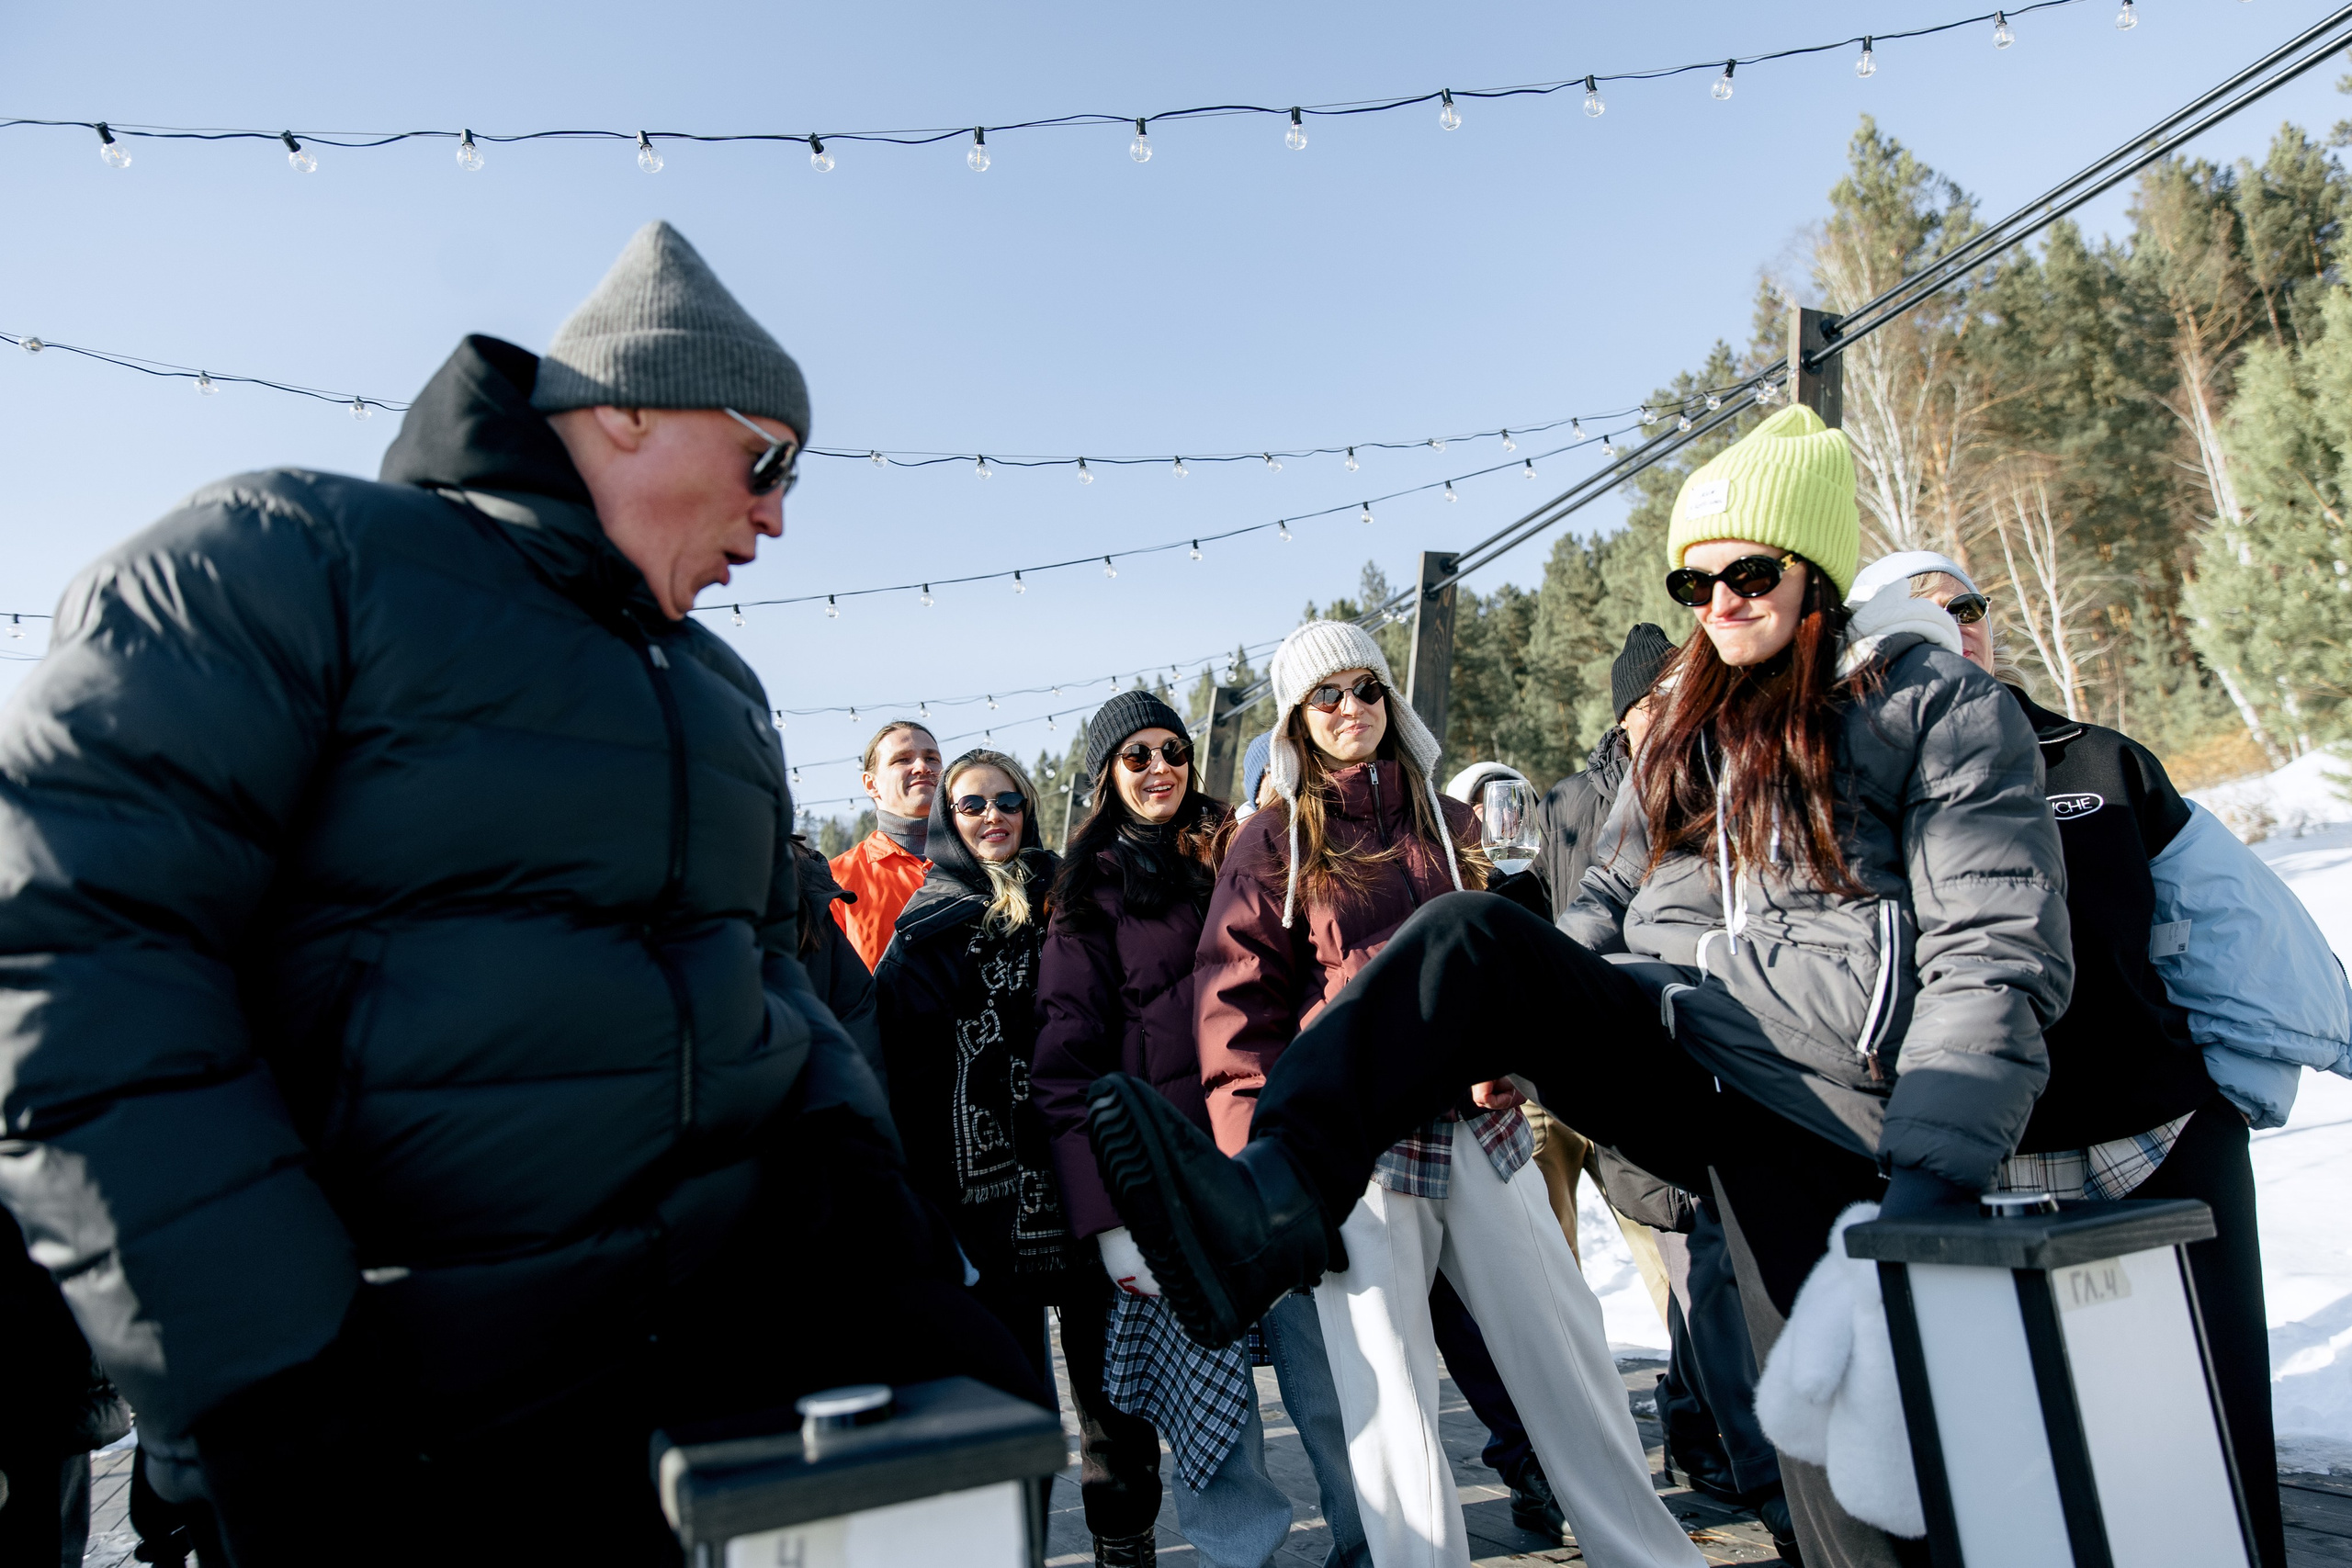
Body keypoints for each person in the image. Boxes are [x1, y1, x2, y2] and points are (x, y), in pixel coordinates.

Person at [0, 220, 1043, 1566]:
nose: (779, 511)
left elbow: (765, 981)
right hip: (401, 1430)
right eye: (766, 456)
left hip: (687, 1416)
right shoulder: (286, 564)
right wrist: (267, 1383)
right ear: (623, 410)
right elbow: (76, 957)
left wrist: (877, 1232)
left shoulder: (717, 692)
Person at [1088, 404, 2073, 1568]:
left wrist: (1935, 1168)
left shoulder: (1929, 708)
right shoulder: (1677, 733)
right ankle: (1276, 1201)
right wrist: (1527, 1025)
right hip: (1663, 1065)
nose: (1719, 604)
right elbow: (1595, 905)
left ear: (1815, 567)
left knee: (1841, 1464)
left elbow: (1993, 948)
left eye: (1748, 573)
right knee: (1475, 940)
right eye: (1693, 584)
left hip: (1830, 1093)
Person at [1192, 619, 1703, 1568]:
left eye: (1367, 689)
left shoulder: (1446, 821)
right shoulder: (1270, 840)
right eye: (1327, 696)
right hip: (1359, 1146)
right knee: (1387, 1391)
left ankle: (1650, 1557)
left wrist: (1516, 1052)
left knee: (1568, 1351)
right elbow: (1232, 1018)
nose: (1352, 709)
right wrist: (1264, 1177)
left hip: (1478, 1123)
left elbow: (1497, 969)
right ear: (1297, 720)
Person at [1860, 548, 2301, 1568]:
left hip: (2167, 1135)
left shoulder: (2102, 758)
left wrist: (2255, 1070)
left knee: (2223, 1431)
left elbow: (2225, 927)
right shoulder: (1864, 785)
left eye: (1969, 605)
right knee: (2030, 1456)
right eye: (1923, 613)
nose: (1957, 624)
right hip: (1990, 1166)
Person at [1031, 692, 1311, 1568]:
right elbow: (1064, 1070)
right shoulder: (1087, 893)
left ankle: (1377, 1539)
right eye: (1136, 755)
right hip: (1174, 1185)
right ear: (1107, 776)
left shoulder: (1242, 850)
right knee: (1213, 1405)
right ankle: (1246, 1560)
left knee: (1333, 1378)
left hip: (1278, 1154)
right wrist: (1113, 1221)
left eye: (1173, 750)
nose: (1160, 769)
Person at [1538, 622, 1674, 918]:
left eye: (1678, 701)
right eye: (1653, 705)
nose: (1669, 715)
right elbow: (1534, 899)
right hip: (1583, 959)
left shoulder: (1715, 789)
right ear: (1623, 718)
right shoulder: (1563, 802)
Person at [831, 720, 944, 971]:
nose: (922, 767)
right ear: (871, 784)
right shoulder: (835, 880)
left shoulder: (983, 862)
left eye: (932, 758)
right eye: (902, 759)